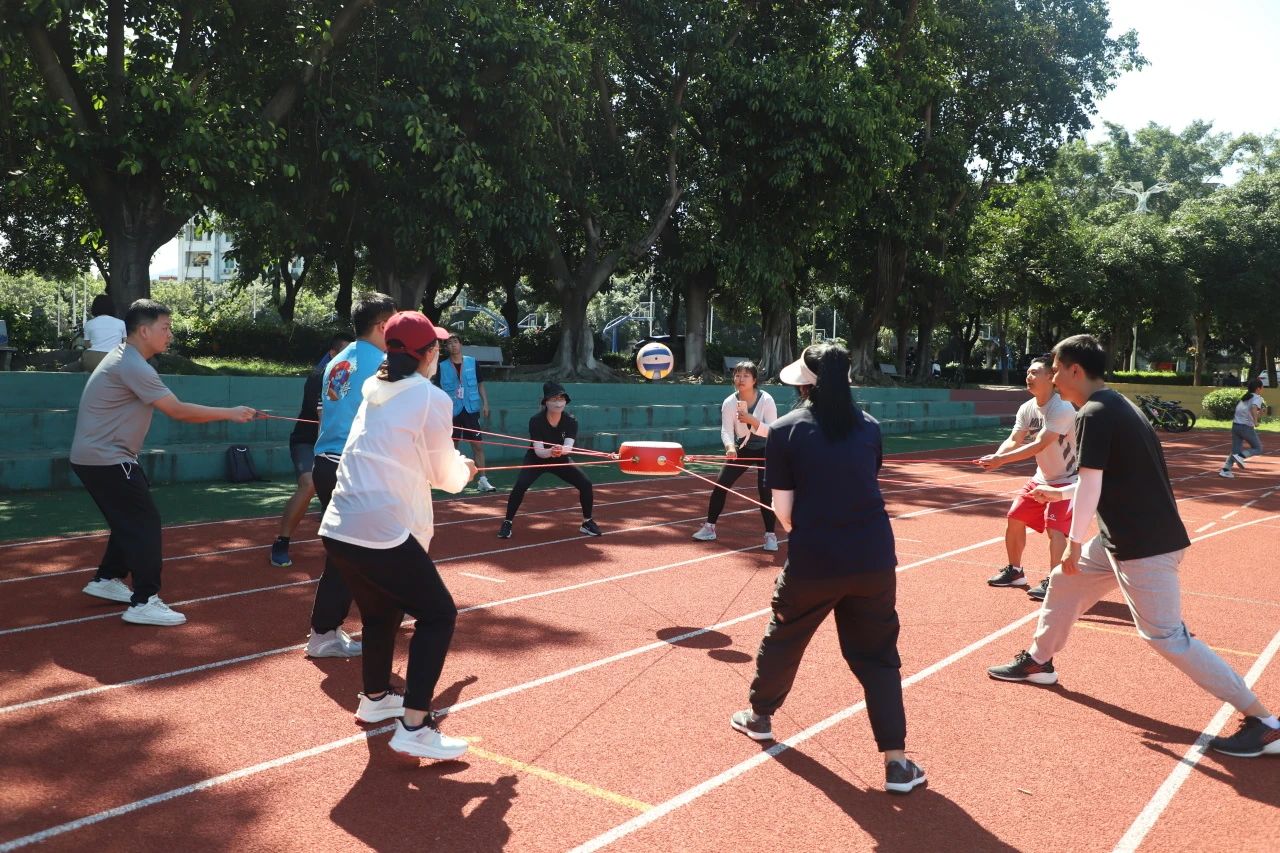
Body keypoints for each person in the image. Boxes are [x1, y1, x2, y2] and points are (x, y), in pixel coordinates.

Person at [987, 335, 1278, 759]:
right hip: (1122, 537)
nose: (1052, 377)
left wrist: (1072, 542)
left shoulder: (1094, 413)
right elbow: (1110, 478)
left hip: (1145, 546)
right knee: (1064, 583)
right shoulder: (1115, 404)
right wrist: (1062, 494)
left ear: (1074, 370)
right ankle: (1038, 661)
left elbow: (1092, 483)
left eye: (1056, 369)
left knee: (1167, 637)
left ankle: (1264, 722)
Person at [730, 344, 926, 794]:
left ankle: (759, 717)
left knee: (785, 636)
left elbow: (784, 512)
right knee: (878, 657)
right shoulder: (870, 426)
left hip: (815, 560)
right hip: (873, 559)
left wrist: (815, 529)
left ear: (804, 384)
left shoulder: (784, 430)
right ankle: (896, 762)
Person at [319, 311, 475, 760]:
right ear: (428, 354)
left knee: (380, 613)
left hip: (339, 525)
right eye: (437, 347)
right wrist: (464, 469)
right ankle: (415, 726)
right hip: (378, 527)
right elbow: (444, 475)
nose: (439, 354)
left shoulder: (375, 388)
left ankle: (375, 698)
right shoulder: (429, 396)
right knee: (439, 615)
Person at [72, 299, 256, 625]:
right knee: (144, 524)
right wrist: (231, 413)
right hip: (107, 459)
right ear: (144, 331)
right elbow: (178, 410)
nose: (170, 334)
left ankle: (107, 578)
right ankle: (145, 600)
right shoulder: (133, 365)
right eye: (165, 328)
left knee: (130, 520)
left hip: (101, 458)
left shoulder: (126, 358)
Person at [306, 292, 397, 658]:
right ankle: (325, 631)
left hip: (326, 462)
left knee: (346, 553)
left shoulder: (337, 359)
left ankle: (328, 628)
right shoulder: (383, 364)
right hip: (352, 465)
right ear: (383, 326)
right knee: (353, 555)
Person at [975, 355, 1078, 601]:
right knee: (1015, 517)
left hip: (1068, 479)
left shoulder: (1062, 408)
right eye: (1028, 372)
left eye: (1034, 372)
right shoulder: (1027, 408)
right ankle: (1015, 572)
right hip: (1042, 477)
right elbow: (1014, 440)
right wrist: (996, 456)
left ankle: (1056, 581)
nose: (1028, 376)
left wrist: (1001, 460)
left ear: (1051, 377)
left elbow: (1040, 444)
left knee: (1055, 529)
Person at [269, 334, 353, 568]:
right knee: (309, 484)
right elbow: (322, 417)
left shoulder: (353, 375)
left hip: (337, 444)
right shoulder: (320, 376)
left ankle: (341, 542)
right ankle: (282, 542)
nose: (349, 358)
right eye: (344, 353)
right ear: (332, 353)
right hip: (307, 441)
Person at [691, 361, 779, 551]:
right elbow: (726, 429)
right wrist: (730, 446)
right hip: (743, 447)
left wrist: (752, 420)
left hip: (767, 449)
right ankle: (709, 527)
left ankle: (770, 535)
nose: (741, 379)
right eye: (737, 375)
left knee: (765, 492)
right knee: (721, 484)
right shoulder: (730, 402)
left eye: (746, 375)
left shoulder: (766, 400)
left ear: (754, 380)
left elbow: (773, 431)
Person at [497, 382, 602, 540]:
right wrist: (551, 451)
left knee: (586, 484)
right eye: (554, 399)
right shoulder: (536, 421)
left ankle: (587, 522)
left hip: (560, 459)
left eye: (561, 398)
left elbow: (569, 447)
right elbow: (539, 451)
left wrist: (560, 450)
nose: (558, 402)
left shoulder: (571, 421)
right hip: (536, 459)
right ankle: (507, 522)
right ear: (546, 402)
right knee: (520, 485)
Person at [437, 334, 496, 493]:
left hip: (471, 409)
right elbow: (438, 390)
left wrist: (485, 404)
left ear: (461, 344)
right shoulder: (442, 366)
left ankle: (483, 480)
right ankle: (450, 480)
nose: (453, 345)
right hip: (452, 411)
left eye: (455, 342)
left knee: (477, 445)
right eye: (449, 343)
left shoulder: (472, 362)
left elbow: (480, 384)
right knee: (453, 446)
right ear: (446, 347)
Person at [1219, 378, 1265, 479]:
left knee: (1235, 451)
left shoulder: (1245, 397)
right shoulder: (1257, 397)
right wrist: (1256, 422)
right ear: (1258, 389)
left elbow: (1248, 411)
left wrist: (1260, 414)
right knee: (1258, 448)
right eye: (1262, 387)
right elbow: (1253, 408)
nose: (1262, 389)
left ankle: (1226, 470)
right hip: (1245, 427)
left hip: (1235, 426)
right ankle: (1241, 456)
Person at [80, 294, 126, 373]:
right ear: (112, 307)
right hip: (114, 360)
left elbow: (87, 345)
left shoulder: (89, 324)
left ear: (95, 307)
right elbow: (125, 344)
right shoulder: (121, 323)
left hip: (92, 360)